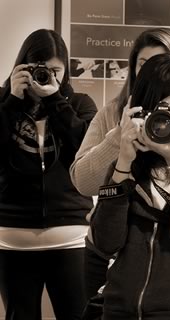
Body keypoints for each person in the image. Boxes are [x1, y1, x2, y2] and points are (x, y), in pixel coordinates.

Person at [69, 27, 170, 299]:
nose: (152, 74)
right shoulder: (113, 111)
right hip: (109, 250)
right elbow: (83, 183)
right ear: (133, 69)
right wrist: (118, 139)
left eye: (163, 63)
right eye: (144, 65)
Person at [89, 53, 170, 319]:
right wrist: (123, 160)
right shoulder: (127, 169)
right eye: (164, 110)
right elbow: (105, 244)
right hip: (120, 310)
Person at [0, 29, 97, 319]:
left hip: (71, 237)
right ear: (22, 67)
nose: (47, 76)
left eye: (55, 70)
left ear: (65, 71)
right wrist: (12, 103)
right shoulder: (4, 103)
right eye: (39, 69)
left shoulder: (79, 104)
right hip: (12, 236)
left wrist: (56, 101)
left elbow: (89, 153)